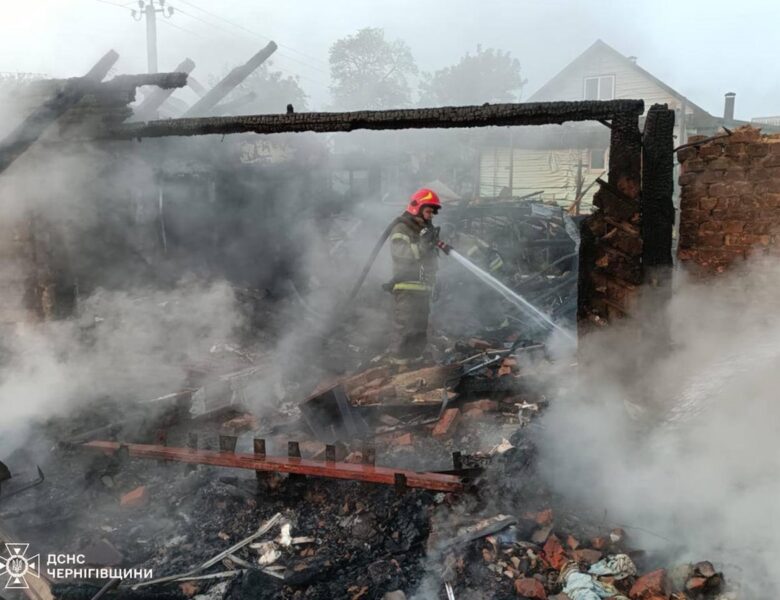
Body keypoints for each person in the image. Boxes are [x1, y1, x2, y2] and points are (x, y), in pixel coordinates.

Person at [387, 188, 442, 365]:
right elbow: (401, 253)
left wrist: (435, 282)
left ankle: (416, 361)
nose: (431, 216)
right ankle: (398, 364)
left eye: (432, 212)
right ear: (416, 207)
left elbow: (431, 261)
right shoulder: (402, 228)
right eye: (428, 211)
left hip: (423, 288)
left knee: (420, 327)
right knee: (405, 326)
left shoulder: (424, 230)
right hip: (406, 286)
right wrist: (423, 245)